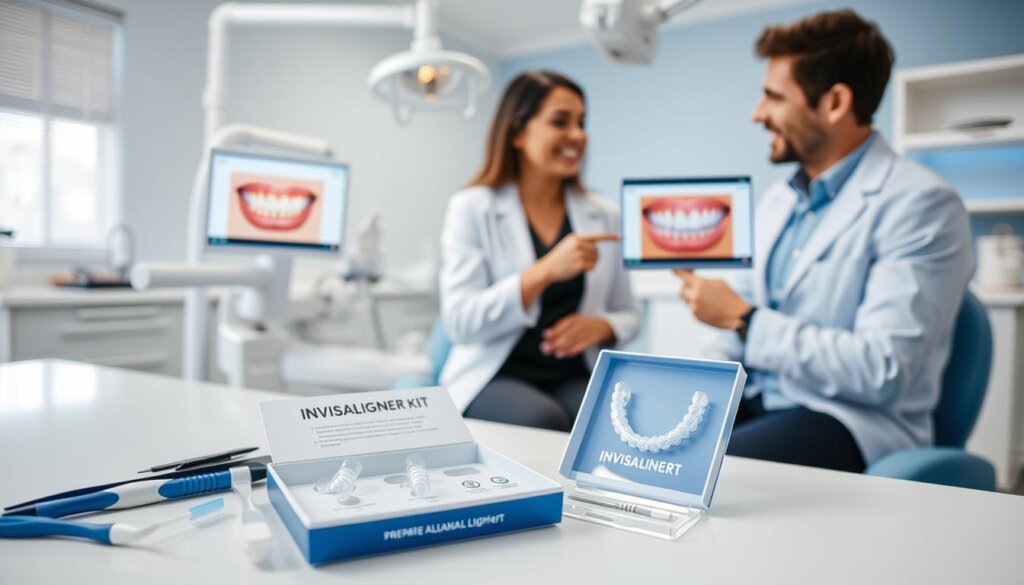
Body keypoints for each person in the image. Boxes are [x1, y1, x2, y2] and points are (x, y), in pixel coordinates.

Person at [676, 10, 974, 472]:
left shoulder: (922, 204)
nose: (758, 114)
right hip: (758, 401)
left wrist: (746, 320)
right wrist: (689, 392)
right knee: (653, 451)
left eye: (773, 97)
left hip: (849, 419)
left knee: (714, 472)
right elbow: (735, 331)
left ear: (834, 103)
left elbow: (882, 371)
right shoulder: (777, 202)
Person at [439, 71, 639, 431]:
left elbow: (629, 313)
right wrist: (544, 271)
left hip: (575, 372)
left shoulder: (603, 213)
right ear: (517, 132)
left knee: (618, 419)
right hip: (495, 374)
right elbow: (460, 322)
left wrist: (602, 326)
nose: (577, 136)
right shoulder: (472, 207)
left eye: (581, 123)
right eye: (560, 122)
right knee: (542, 420)